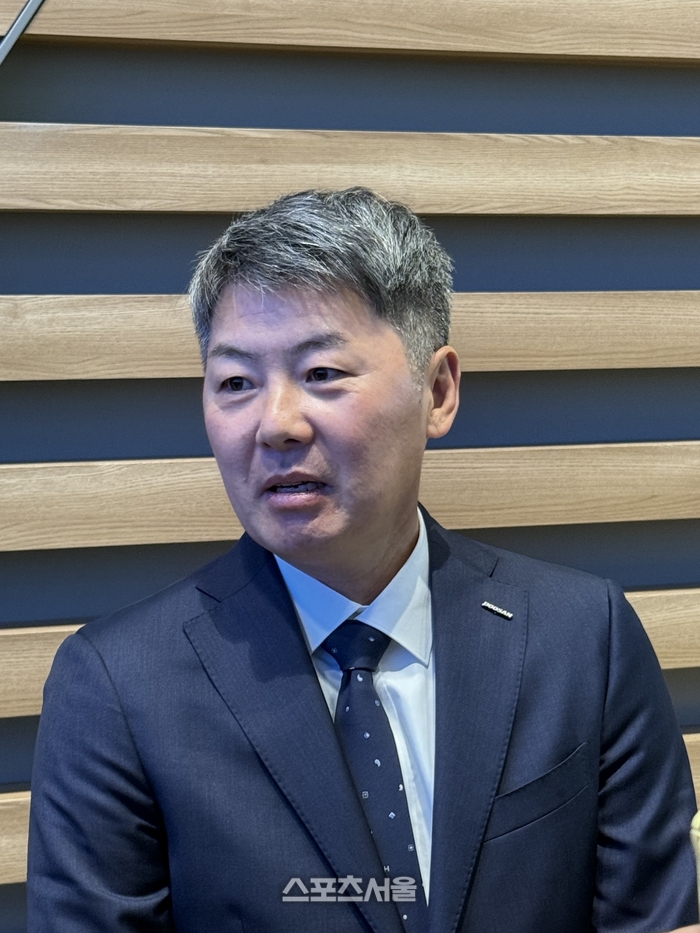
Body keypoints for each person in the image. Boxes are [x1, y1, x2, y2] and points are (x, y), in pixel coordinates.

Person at [28, 187, 698, 932]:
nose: (276, 424)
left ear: (437, 392)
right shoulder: (118, 686)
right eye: (236, 382)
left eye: (321, 373)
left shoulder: (583, 637)